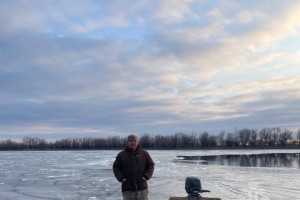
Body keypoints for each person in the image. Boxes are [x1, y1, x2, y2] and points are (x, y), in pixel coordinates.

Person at [113, 134, 155, 200]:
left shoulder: (144, 154)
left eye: (134, 141)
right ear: (127, 142)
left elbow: (151, 165)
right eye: (130, 141)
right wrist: (121, 178)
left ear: (137, 142)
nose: (132, 142)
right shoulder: (121, 155)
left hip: (142, 188)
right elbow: (116, 168)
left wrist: (146, 176)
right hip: (127, 189)